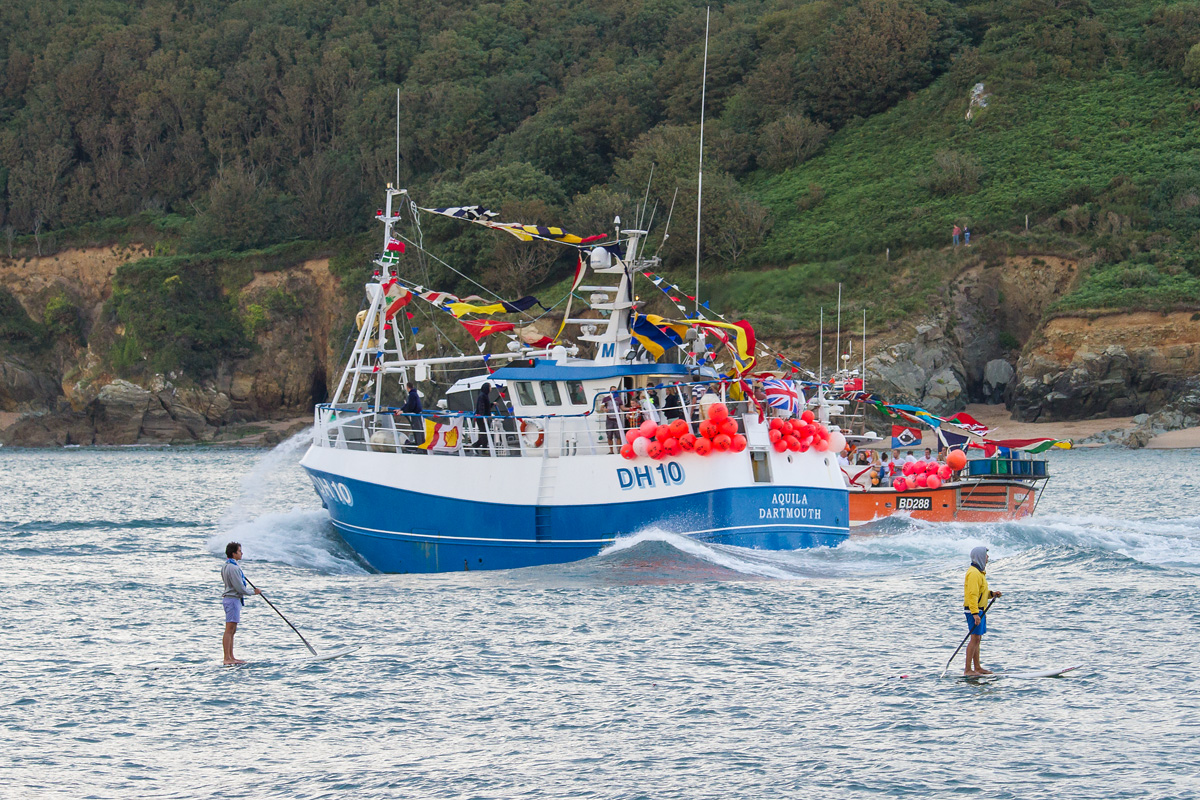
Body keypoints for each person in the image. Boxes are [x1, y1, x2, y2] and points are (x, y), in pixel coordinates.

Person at [963, 546, 1002, 676]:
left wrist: (992, 594)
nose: (987, 558)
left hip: (979, 609)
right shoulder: (973, 573)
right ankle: (968, 670)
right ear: (979, 556)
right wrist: (975, 614)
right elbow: (972, 595)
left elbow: (981, 593)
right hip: (973, 611)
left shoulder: (979, 573)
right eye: (986, 555)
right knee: (974, 638)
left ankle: (977, 668)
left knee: (977, 638)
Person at [222, 542, 261, 665]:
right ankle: (227, 658)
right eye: (239, 551)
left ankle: (231, 656)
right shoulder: (233, 568)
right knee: (229, 629)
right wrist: (253, 592)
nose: (241, 553)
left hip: (231, 599)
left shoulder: (227, 565)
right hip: (232, 599)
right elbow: (239, 588)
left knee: (232, 630)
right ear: (233, 553)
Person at [472, 382, 494, 451]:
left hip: (484, 417)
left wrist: (492, 404)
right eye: (490, 387)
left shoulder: (484, 395)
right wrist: (484, 417)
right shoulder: (482, 396)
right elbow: (481, 407)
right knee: (484, 433)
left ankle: (478, 446)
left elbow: (486, 406)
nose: (491, 388)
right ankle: (481, 448)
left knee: (485, 433)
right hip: (482, 418)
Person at [603, 385, 622, 453]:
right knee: (609, 435)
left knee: (618, 435)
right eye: (612, 390)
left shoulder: (619, 399)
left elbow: (622, 408)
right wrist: (605, 409)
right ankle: (611, 451)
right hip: (609, 419)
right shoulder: (606, 399)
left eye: (615, 391)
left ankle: (619, 450)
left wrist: (632, 409)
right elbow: (601, 407)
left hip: (617, 419)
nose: (614, 392)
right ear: (610, 391)